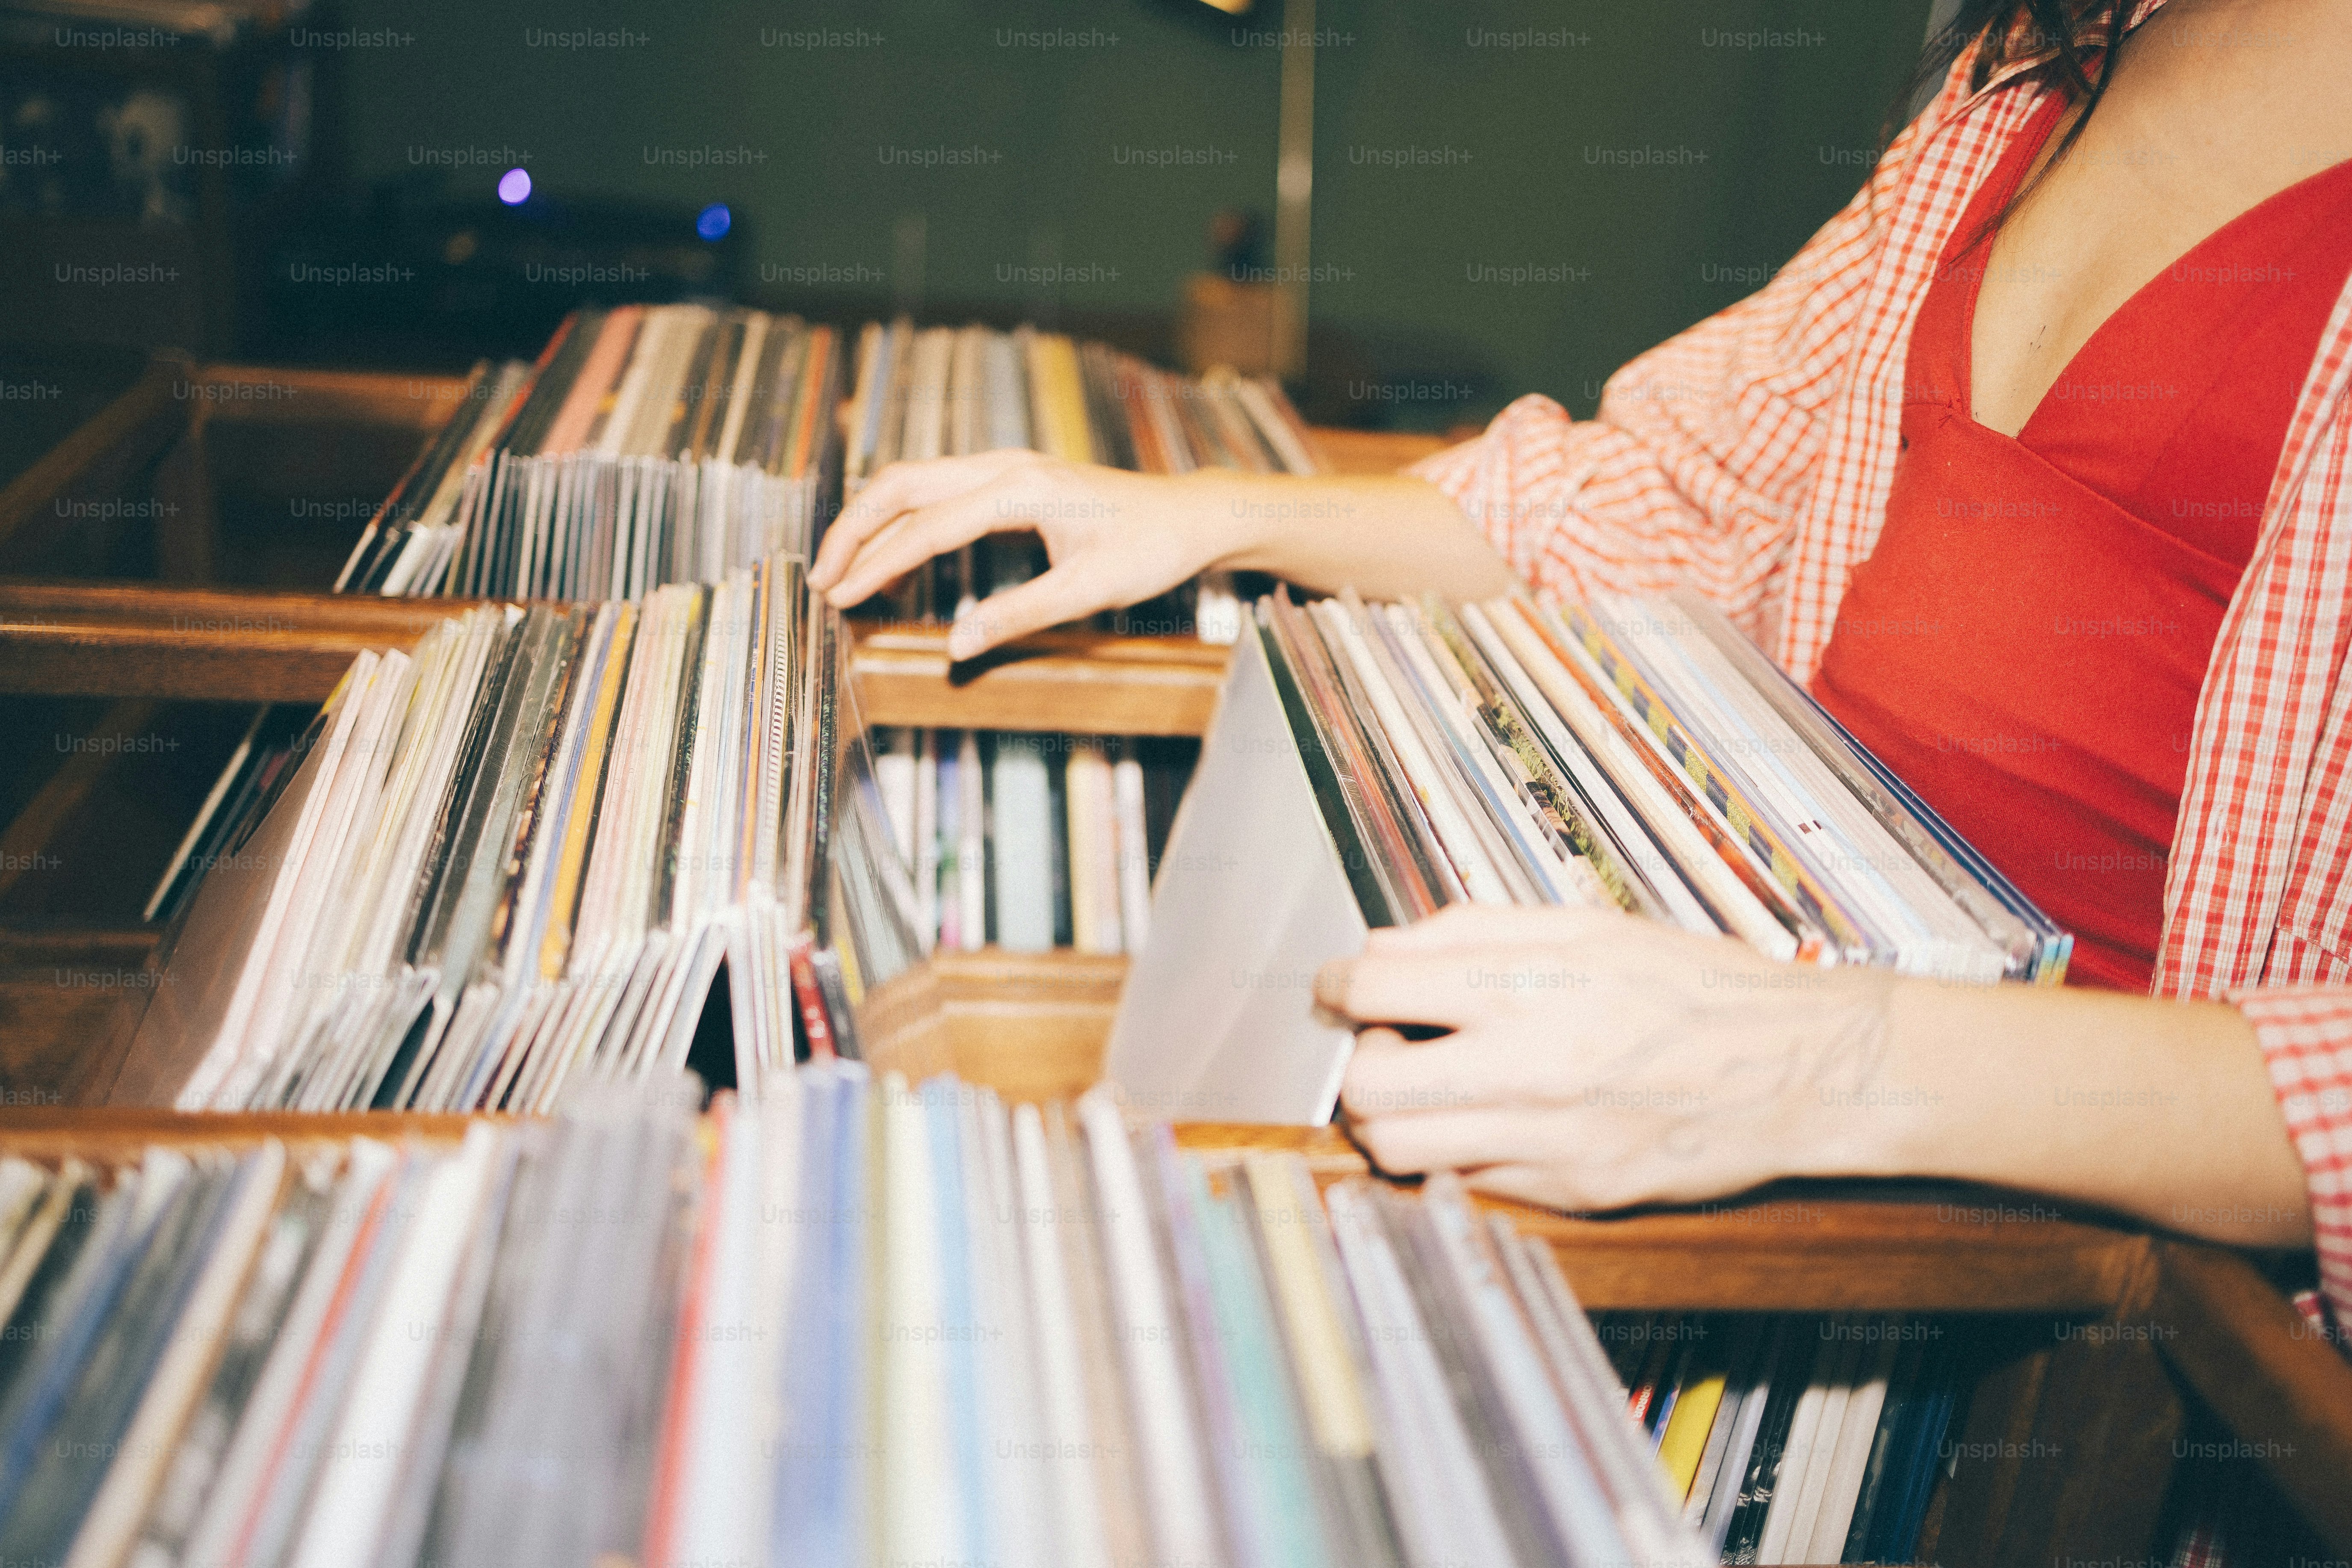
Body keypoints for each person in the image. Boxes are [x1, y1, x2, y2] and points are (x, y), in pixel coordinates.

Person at [812, 0, 2352, 1324]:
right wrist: (1201, 515)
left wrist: (1825, 1061)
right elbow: (1672, 493)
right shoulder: (2034, 63)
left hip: (2112, 1318)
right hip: (1735, 1073)